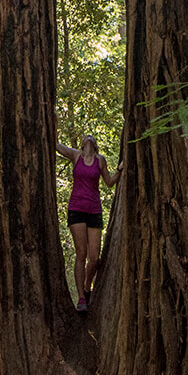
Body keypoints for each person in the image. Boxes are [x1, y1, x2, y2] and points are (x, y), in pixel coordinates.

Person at [56, 134, 120, 312]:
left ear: (95, 144)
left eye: (92, 137)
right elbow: (56, 145)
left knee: (94, 257)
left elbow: (108, 183)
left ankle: (86, 285)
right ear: (83, 144)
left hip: (94, 210)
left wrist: (119, 170)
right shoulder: (76, 155)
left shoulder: (100, 160)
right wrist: (53, 119)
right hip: (76, 209)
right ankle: (82, 299)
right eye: (86, 137)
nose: (89, 137)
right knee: (81, 253)